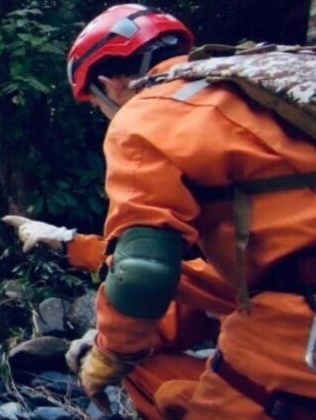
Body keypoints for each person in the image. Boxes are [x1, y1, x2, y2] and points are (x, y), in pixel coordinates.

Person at [57, 3, 316, 418]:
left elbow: (142, 275)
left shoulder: (146, 113)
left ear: (109, 83)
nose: (103, 114)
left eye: (97, 104)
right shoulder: (259, 84)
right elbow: (253, 262)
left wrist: (109, 352)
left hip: (297, 323)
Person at [2, 216, 232, 418]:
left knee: (168, 391)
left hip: (256, 394)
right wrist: (107, 343)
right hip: (241, 376)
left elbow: (146, 274)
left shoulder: (254, 260)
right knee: (135, 357)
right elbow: (180, 306)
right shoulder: (238, 259)